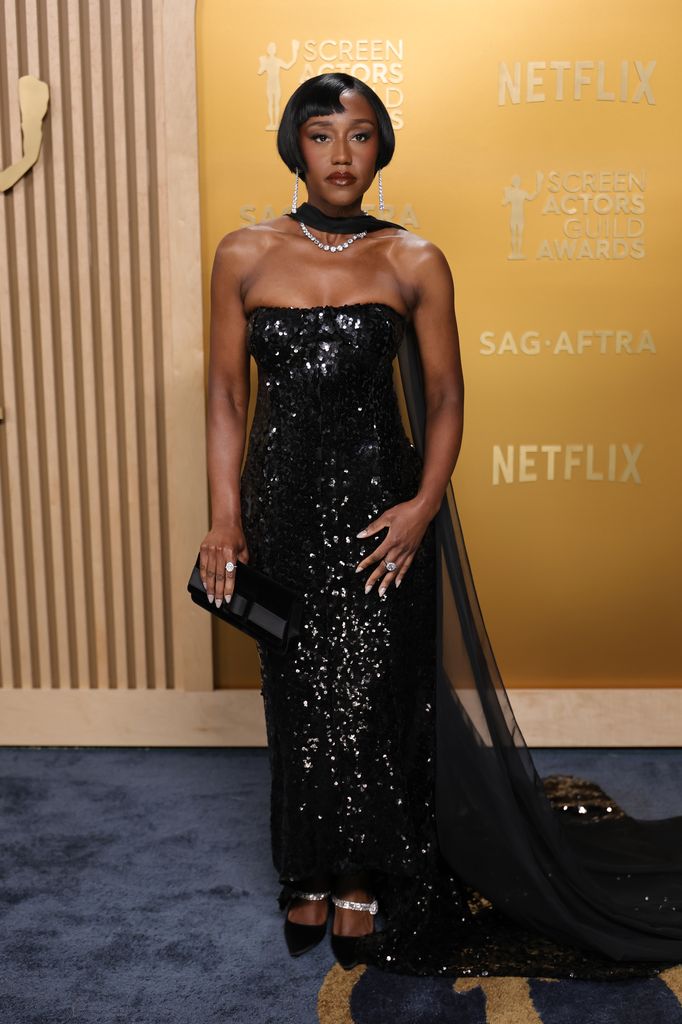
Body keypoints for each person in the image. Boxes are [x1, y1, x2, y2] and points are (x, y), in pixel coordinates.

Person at [199, 73, 682, 978]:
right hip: (281, 512)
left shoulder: (413, 258)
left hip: (382, 516)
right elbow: (227, 395)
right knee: (298, 699)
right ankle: (306, 867)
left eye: (361, 135)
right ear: (291, 146)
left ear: (383, 148)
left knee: (379, 699)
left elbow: (450, 395)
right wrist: (226, 520)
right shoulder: (242, 254)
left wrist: (421, 509)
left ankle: (368, 876)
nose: (341, 154)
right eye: (320, 134)